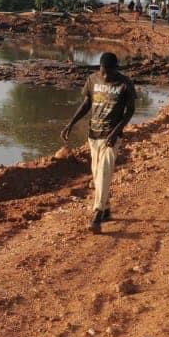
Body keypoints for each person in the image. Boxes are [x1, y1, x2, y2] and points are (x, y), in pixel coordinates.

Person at [61, 52, 136, 232]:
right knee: (96, 174)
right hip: (93, 135)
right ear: (99, 68)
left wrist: (116, 132)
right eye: (102, 72)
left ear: (115, 69)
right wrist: (70, 124)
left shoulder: (125, 84)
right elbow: (86, 104)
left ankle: (97, 214)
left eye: (108, 73)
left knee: (103, 173)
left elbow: (130, 111)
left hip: (112, 137)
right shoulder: (93, 79)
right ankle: (107, 207)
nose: (105, 76)